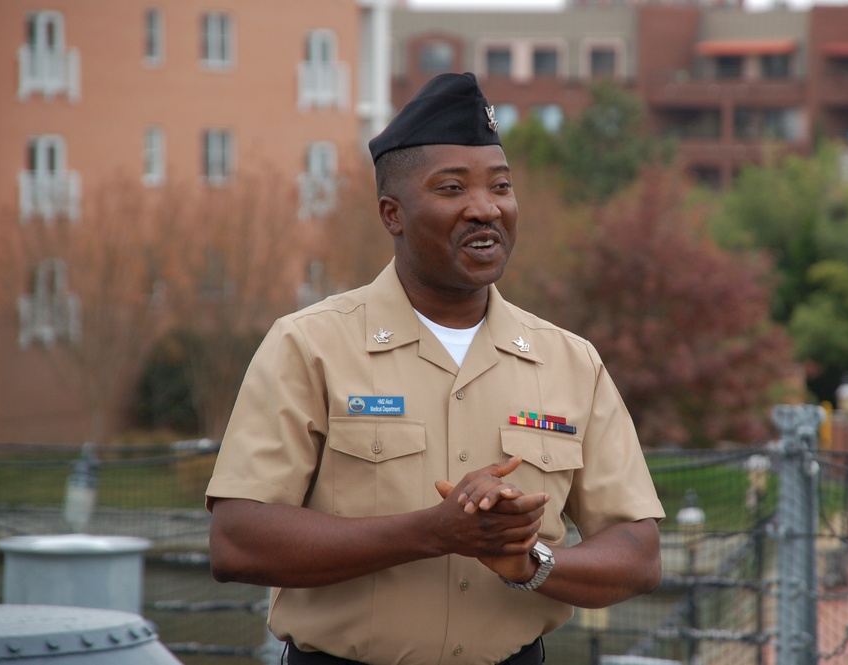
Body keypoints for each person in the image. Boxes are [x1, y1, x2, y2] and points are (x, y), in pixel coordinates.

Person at [206, 72, 665, 665]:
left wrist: (529, 562)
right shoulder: (310, 346)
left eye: (501, 187)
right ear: (392, 213)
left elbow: (639, 552)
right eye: (451, 188)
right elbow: (237, 542)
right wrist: (433, 532)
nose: (485, 209)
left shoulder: (569, 361)